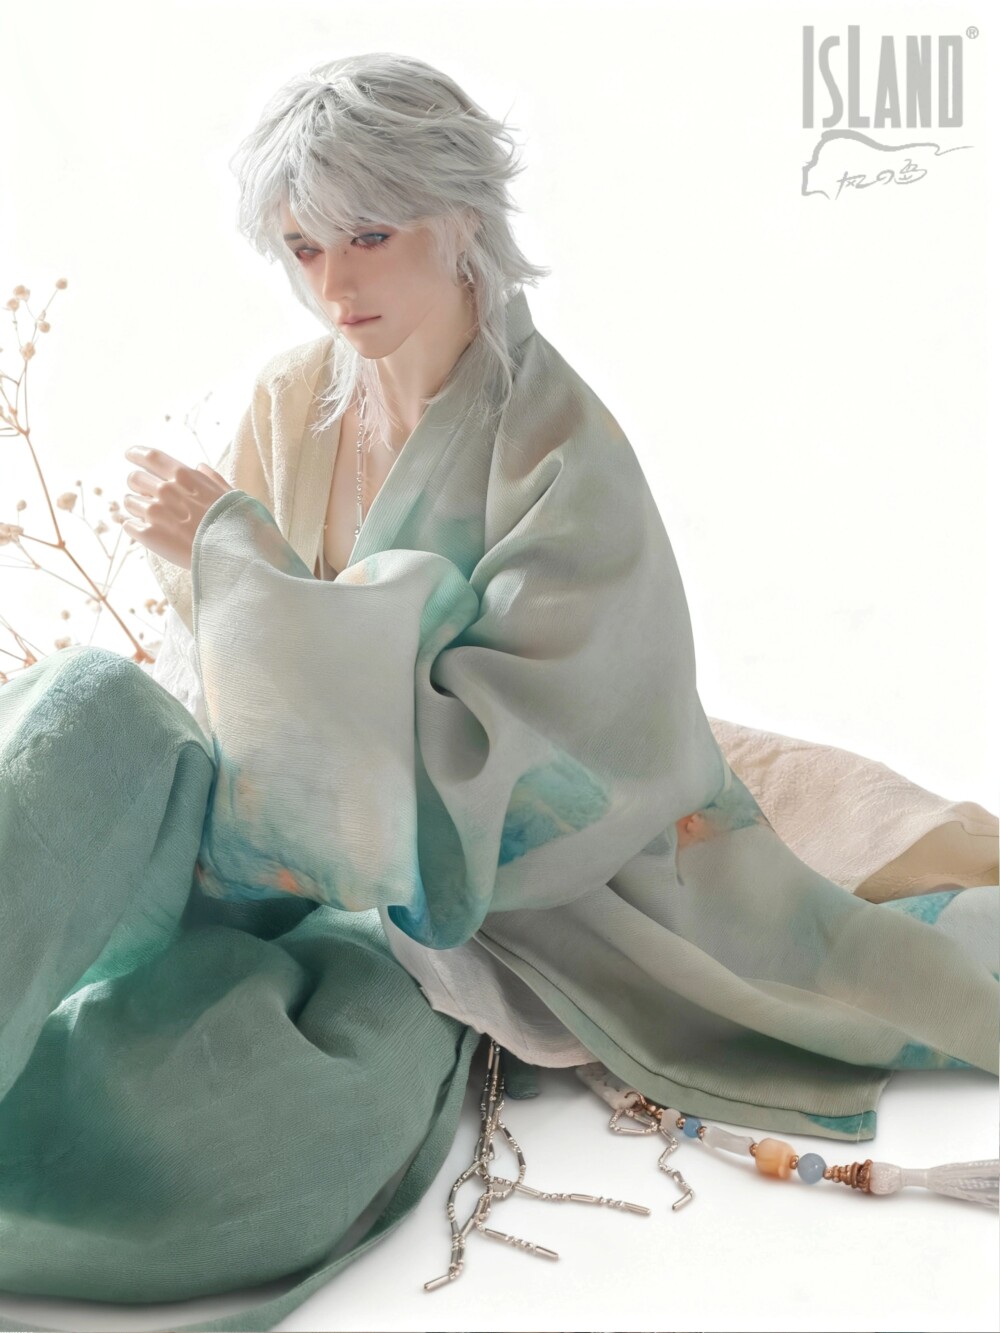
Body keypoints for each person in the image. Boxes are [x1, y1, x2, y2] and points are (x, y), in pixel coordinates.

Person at [1, 52, 996, 1332]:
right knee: (85, 711)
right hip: (259, 841)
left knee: (271, 1136)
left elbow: (528, 768)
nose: (335, 285)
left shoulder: (562, 452)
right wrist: (224, 584)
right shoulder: (289, 401)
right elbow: (224, 699)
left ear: (461, 212)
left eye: (371, 234)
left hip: (453, 922)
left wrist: (233, 559)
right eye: (303, 248)